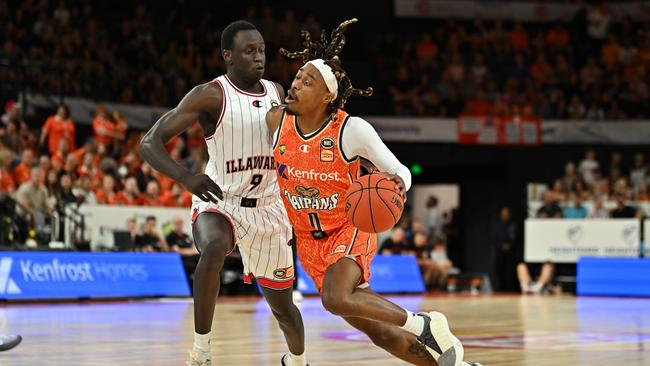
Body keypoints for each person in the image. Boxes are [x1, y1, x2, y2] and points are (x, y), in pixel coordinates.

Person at [270, 19, 480, 366]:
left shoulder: (351, 130)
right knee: (380, 332)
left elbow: (398, 170)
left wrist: (398, 183)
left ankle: (425, 323)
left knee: (335, 299)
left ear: (327, 96)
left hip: (348, 230)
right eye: (296, 77)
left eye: (308, 81)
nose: (296, 83)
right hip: (307, 241)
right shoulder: (276, 122)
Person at [139, 20, 306, 366]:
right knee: (213, 247)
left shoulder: (278, 92)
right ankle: (201, 353)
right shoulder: (210, 95)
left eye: (261, 50)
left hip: (268, 210)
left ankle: (297, 360)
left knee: (284, 309)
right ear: (228, 56)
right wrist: (186, 178)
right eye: (249, 51)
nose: (259, 57)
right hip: (220, 199)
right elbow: (149, 142)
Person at [166, 215, 200, 288]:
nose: (179, 225)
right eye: (177, 223)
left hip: (193, 258)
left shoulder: (186, 236)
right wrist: (190, 251)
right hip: (180, 260)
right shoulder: (171, 236)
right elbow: (177, 251)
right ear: (173, 224)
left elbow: (195, 248)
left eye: (181, 223)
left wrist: (191, 251)